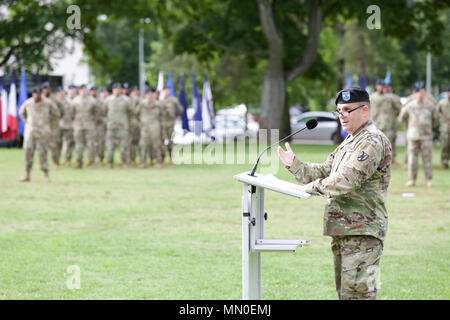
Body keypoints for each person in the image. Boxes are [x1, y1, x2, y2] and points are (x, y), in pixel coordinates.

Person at [278, 86, 392, 300]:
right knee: (346, 295)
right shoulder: (351, 140)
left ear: (365, 110)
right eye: (339, 111)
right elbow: (324, 171)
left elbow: (345, 181)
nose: (342, 116)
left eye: (347, 110)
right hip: (345, 230)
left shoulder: (371, 141)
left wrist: (309, 188)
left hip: (362, 233)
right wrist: (294, 165)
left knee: (359, 296)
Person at [399, 82, 439, 187]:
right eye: (417, 92)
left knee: (427, 159)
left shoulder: (430, 105)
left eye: (421, 91)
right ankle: (412, 179)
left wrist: (429, 128)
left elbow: (436, 119)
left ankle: (429, 180)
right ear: (415, 93)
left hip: (426, 136)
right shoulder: (410, 106)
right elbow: (402, 118)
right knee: (412, 159)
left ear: (424, 92)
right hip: (413, 136)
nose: (420, 94)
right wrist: (409, 127)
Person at [19, 87, 60, 182]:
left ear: (40, 94)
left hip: (43, 133)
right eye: (34, 93)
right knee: (28, 153)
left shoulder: (48, 103)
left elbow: (56, 114)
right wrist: (28, 123)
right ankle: (27, 174)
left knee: (43, 153)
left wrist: (50, 127)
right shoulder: (28, 103)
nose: (36, 95)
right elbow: (22, 113)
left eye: (37, 93)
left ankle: (46, 175)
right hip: (31, 133)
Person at [370, 81, 402, 164]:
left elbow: (399, 109)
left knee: (389, 144)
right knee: (376, 144)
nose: (380, 88)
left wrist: (393, 117)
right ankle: (376, 161)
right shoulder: (371, 98)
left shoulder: (390, 98)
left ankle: (391, 161)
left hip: (388, 125)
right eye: (379, 86)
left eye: (382, 86)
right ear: (376, 87)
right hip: (376, 124)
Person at [104, 83, 133, 168]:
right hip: (111, 126)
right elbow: (104, 111)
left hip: (123, 126)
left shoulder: (126, 100)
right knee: (110, 146)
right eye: (115, 89)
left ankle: (124, 162)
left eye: (118, 89)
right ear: (113, 90)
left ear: (121, 90)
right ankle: (110, 163)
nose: (117, 90)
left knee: (124, 146)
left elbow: (131, 112)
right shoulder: (108, 100)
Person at [136, 88, 164, 168]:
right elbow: (135, 113)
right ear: (145, 95)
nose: (149, 96)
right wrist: (140, 122)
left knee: (157, 145)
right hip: (144, 127)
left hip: (155, 127)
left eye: (151, 94)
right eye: (148, 94)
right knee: (143, 145)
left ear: (153, 95)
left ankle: (158, 162)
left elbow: (162, 115)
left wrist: (160, 123)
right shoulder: (141, 104)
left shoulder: (158, 104)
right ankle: (143, 162)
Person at [71, 84, 98, 168]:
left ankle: (91, 161)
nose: (83, 91)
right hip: (78, 126)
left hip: (90, 125)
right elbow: (72, 113)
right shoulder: (75, 101)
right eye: (82, 89)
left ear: (87, 91)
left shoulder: (93, 101)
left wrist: (93, 122)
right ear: (79, 91)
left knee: (90, 144)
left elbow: (97, 113)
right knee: (79, 145)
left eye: (85, 89)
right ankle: (79, 161)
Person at [42, 81, 65, 168]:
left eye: (47, 88)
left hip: (53, 125)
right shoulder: (40, 99)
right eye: (44, 88)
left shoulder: (55, 99)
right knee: (43, 144)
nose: (46, 90)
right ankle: (43, 162)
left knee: (55, 144)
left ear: (50, 89)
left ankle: (56, 161)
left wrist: (57, 118)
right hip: (43, 125)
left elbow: (62, 110)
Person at [160, 87, 183, 162]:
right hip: (162, 124)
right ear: (163, 91)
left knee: (171, 141)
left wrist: (174, 115)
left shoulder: (173, 100)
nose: (167, 92)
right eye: (165, 91)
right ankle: (162, 158)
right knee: (162, 141)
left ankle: (172, 158)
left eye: (168, 91)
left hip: (170, 123)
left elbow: (181, 110)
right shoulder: (160, 101)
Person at [56, 86, 75, 166]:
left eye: (62, 91)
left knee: (68, 143)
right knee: (57, 144)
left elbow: (73, 113)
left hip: (68, 125)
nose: (61, 93)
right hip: (57, 126)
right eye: (59, 92)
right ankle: (56, 161)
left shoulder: (69, 102)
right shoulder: (54, 102)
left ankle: (67, 159)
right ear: (57, 93)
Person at [436, 86, 450, 169]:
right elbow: (436, 113)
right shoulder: (442, 103)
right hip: (445, 128)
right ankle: (444, 162)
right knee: (445, 146)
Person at [96, 87, 109, 166]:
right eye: (102, 92)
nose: (103, 94)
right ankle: (100, 159)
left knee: (110, 143)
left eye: (105, 92)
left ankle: (110, 160)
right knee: (100, 143)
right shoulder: (97, 102)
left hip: (110, 124)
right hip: (100, 125)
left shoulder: (110, 101)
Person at [129, 86, 141, 166]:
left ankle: (141, 159)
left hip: (139, 124)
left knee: (140, 142)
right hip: (131, 123)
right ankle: (132, 159)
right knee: (132, 142)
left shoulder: (141, 100)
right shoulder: (129, 99)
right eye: (134, 91)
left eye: (136, 91)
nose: (135, 92)